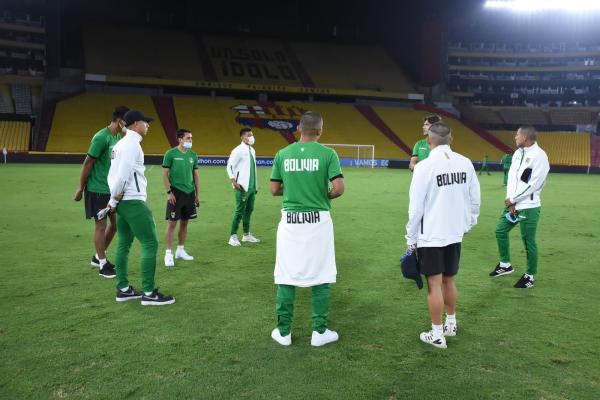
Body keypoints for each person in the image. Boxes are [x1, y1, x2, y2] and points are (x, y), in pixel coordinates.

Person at [269, 111, 345, 347]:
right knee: (321, 273)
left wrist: (292, 191)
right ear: (320, 131)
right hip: (318, 221)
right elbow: (339, 188)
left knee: (286, 274)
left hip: (290, 221)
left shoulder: (283, 154)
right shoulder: (328, 154)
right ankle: (319, 332)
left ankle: (283, 332)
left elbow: (273, 190)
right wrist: (322, 193)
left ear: (299, 129)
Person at [405, 122, 480, 349]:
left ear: (429, 141)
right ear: (451, 139)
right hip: (455, 232)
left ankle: (437, 334)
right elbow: (474, 197)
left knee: (434, 284)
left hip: (432, 234)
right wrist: (470, 222)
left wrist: (410, 237)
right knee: (450, 279)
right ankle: (451, 323)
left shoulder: (424, 167)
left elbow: (416, 208)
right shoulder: (465, 162)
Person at [107, 110, 175, 305]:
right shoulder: (131, 145)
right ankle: (148, 293)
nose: (148, 126)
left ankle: (123, 288)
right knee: (150, 243)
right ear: (135, 123)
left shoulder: (120, 144)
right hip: (133, 201)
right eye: (146, 122)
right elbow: (122, 175)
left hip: (123, 202)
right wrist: (113, 199)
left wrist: (114, 200)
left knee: (124, 244)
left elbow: (112, 175)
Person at [489, 126, 549, 289]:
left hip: (529, 206)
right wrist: (510, 201)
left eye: (517, 135)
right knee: (500, 230)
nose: (515, 137)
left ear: (525, 137)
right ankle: (505, 264)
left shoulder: (540, 156)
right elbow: (511, 179)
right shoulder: (517, 153)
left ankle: (530, 275)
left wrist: (514, 199)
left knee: (528, 241)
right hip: (513, 204)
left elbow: (535, 185)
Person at [73, 105, 129, 278]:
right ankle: (103, 265)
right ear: (120, 121)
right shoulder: (101, 137)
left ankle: (99, 257)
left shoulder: (118, 136)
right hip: (97, 189)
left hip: (111, 190)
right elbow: (88, 162)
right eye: (128, 122)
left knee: (116, 224)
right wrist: (80, 188)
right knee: (101, 225)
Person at [162, 129, 199, 267]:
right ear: (180, 139)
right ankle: (168, 254)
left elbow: (196, 175)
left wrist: (197, 194)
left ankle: (181, 250)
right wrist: (169, 192)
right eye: (188, 138)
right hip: (175, 193)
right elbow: (165, 174)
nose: (190, 141)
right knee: (172, 223)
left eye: (191, 138)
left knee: (185, 222)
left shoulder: (193, 155)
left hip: (189, 193)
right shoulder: (170, 154)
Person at [226, 127, 260, 246]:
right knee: (240, 211)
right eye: (249, 135)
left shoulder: (252, 150)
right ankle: (233, 236)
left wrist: (255, 186)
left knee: (249, 210)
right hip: (242, 187)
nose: (251, 137)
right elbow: (229, 166)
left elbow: (252, 169)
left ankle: (246, 235)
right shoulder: (238, 150)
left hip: (251, 187)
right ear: (242, 137)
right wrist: (234, 182)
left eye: (252, 135)